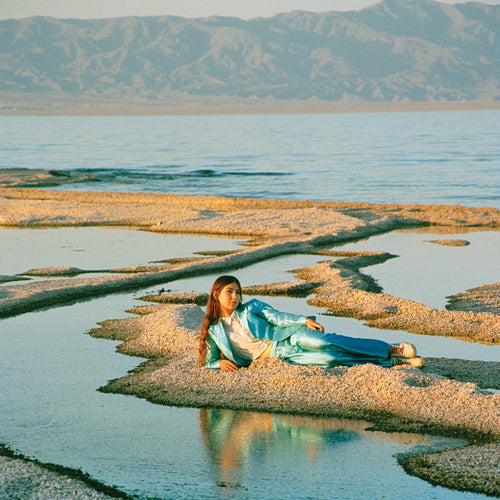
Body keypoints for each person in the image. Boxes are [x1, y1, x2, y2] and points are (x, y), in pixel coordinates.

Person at [199, 275, 425, 372]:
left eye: (238, 292)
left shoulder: (251, 308)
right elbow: (207, 362)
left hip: (290, 336)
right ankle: (391, 363)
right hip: (281, 354)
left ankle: (389, 348)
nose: (235, 297)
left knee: (327, 343)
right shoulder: (213, 331)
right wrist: (218, 365)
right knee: (330, 360)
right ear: (216, 294)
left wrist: (302, 320)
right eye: (230, 292)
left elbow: (277, 317)